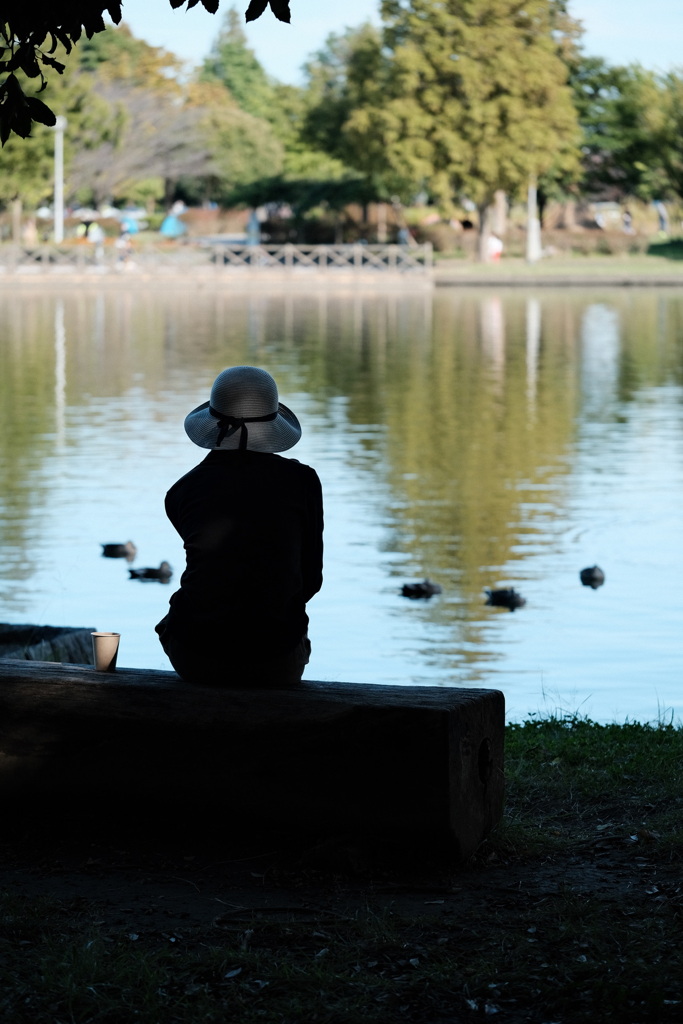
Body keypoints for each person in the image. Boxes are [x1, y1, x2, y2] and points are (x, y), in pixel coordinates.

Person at [155, 366, 324, 687]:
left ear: (212, 424)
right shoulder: (303, 483)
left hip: (195, 655)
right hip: (276, 659)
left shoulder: (182, 492)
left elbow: (215, 572)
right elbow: (310, 581)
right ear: (273, 424)